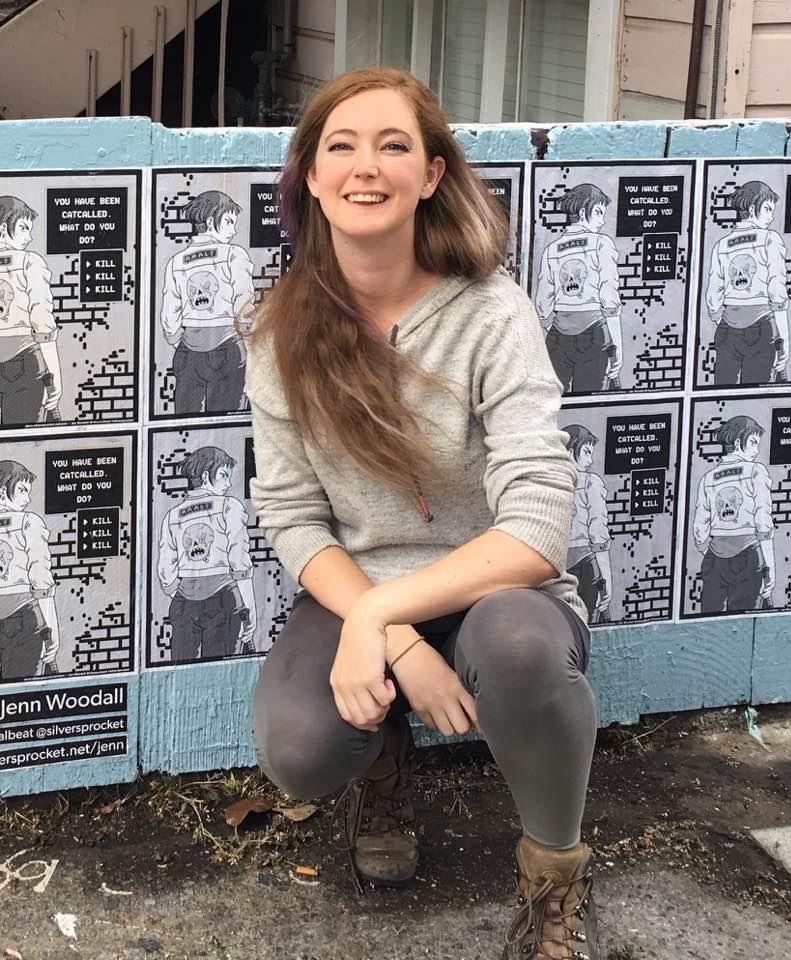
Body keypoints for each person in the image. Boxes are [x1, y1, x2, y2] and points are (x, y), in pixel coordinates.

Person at [245, 68, 600, 959]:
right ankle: (382, 760)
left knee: (519, 651)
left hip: (498, 591)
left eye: (394, 145)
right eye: (342, 147)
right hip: (361, 585)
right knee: (298, 751)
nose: (367, 167)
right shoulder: (281, 332)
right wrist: (388, 630)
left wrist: (377, 616)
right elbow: (291, 517)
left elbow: (536, 524)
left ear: (432, 175)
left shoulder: (491, 313)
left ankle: (553, 881)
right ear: (313, 177)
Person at [157, 446, 257, 662]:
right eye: (223, 475)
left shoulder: (173, 515)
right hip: (224, 598)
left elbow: (166, 570)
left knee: (181, 677)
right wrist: (248, 609)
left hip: (184, 603)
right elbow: (239, 562)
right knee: (222, 674)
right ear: (205, 476)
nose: (228, 484)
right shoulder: (230, 507)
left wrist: (183, 594)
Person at [160, 191, 255, 414]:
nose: (234, 230)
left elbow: (169, 314)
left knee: (184, 425)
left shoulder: (176, 262)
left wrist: (177, 340)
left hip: (187, 353)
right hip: (228, 347)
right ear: (212, 221)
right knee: (224, 424)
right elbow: (244, 306)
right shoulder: (234, 255)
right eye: (229, 221)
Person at [534, 183, 622, 393]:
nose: (602, 221)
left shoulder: (551, 249)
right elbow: (609, 298)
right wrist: (617, 346)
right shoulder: (602, 244)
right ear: (583, 212)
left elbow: (543, 305)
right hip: (594, 333)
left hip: (556, 337)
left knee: (553, 406)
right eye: (599, 212)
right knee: (590, 405)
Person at [705, 181, 789, 386]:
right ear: (752, 209)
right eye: (767, 209)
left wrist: (721, 317)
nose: (771, 216)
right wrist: (783, 339)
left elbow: (714, 293)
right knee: (755, 392)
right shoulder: (770, 239)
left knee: (721, 394)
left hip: (726, 329)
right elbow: (777, 290)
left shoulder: (721, 245)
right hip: (761, 325)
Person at [692, 415, 775, 613]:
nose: (756, 450)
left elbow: (699, 528)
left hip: (715, 557)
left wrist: (710, 550)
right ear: (738, 442)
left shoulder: (708, 478)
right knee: (742, 622)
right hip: (748, 554)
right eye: (753, 442)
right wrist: (769, 566)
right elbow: (763, 521)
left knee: (710, 623)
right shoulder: (756, 471)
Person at [0, 197, 62, 424]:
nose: (29, 237)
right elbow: (42, 323)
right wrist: (54, 377)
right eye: (24, 228)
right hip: (24, 358)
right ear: (3, 227)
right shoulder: (30, 263)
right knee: (22, 439)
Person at [0, 460, 60, 680]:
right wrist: (51, 630)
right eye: (22, 490)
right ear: (2, 491)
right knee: (23, 694)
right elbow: (41, 583)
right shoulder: (29, 522)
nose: (28, 499)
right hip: (23, 615)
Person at [562, 425, 612, 623]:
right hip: (586, 563)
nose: (590, 460)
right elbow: (598, 533)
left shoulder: (546, 479)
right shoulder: (591, 482)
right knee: (586, 625)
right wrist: (607, 581)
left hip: (554, 564)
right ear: (569, 450)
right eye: (586, 452)